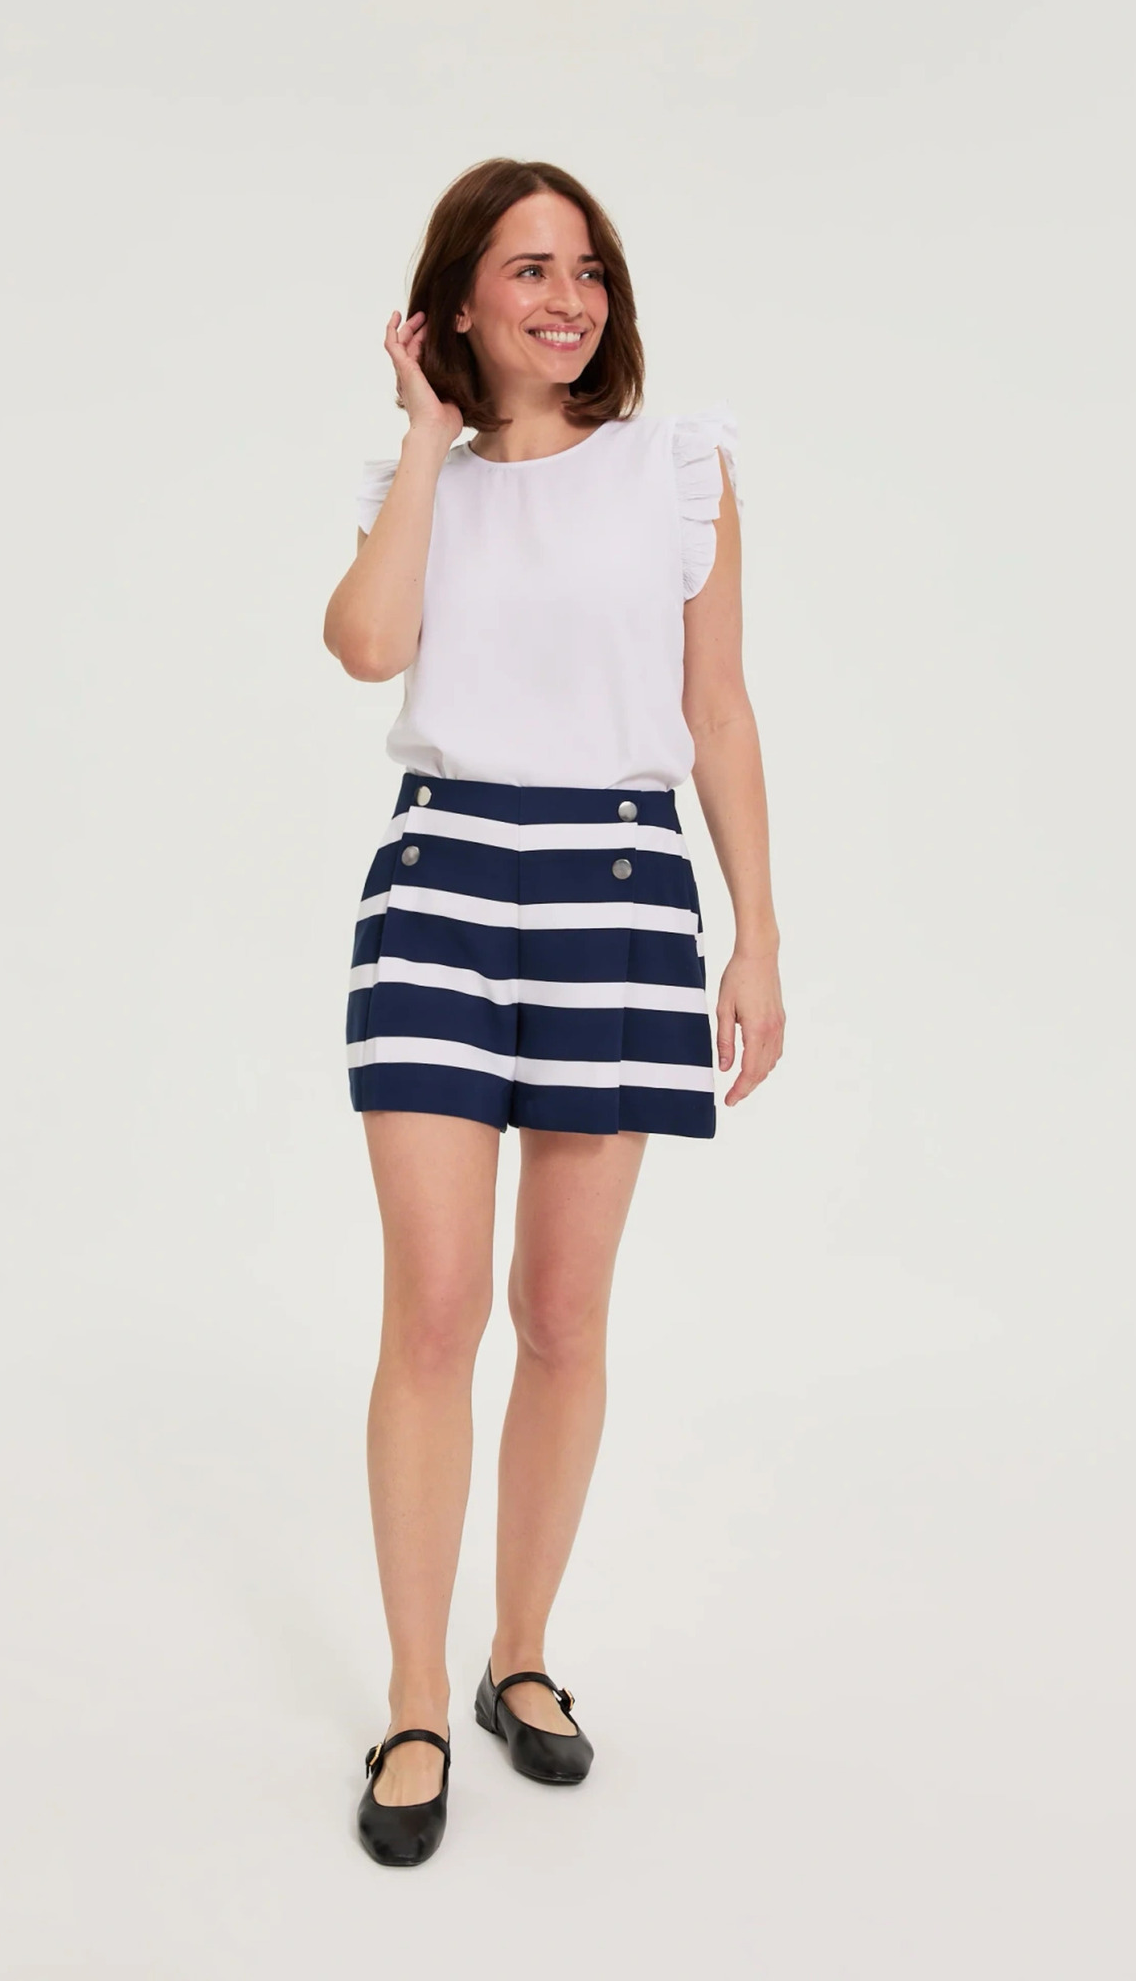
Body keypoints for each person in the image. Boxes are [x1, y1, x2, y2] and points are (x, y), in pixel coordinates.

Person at [323, 157, 785, 1866]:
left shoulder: (679, 470)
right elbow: (365, 646)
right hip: (443, 884)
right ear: (457, 300)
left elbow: (718, 710)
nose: (568, 297)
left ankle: (521, 1656)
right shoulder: (417, 484)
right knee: (435, 1311)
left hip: (618, 885)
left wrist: (758, 938)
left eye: (586, 268)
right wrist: (428, 439)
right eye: (528, 269)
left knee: (564, 1311)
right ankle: (416, 1698)